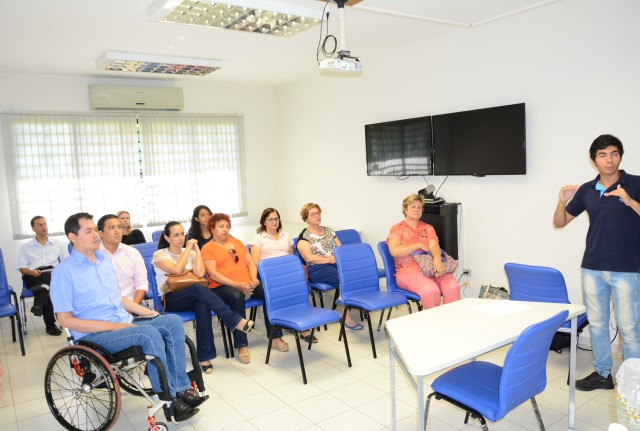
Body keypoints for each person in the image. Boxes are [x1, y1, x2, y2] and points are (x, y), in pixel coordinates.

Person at [50, 213, 207, 423]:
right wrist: (111, 326)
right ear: (73, 237)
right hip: (95, 335)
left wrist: (146, 311)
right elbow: (65, 321)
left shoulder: (104, 262)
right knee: (148, 334)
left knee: (172, 322)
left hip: (124, 322)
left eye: (95, 230)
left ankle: (180, 389)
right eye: (89, 231)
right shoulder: (63, 272)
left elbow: (119, 298)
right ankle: (169, 399)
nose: (96, 235)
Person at [553, 134, 640, 391]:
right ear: (594, 161)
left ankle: (634, 383)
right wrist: (561, 201)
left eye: (614, 153)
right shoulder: (587, 190)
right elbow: (560, 222)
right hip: (592, 267)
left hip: (627, 268)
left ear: (620, 156)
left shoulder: (635, 184)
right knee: (598, 324)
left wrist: (630, 201)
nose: (609, 160)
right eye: (602, 155)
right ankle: (603, 374)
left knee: (629, 328)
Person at [153, 221, 254, 373]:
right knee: (197, 289)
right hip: (171, 298)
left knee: (202, 304)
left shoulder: (191, 252)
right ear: (167, 238)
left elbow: (200, 274)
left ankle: (205, 357)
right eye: (176, 235)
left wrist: (196, 251)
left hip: (193, 295)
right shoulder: (160, 254)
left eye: (182, 234)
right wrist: (187, 249)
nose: (181, 238)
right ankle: (234, 320)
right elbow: (176, 270)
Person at [201, 213, 289, 365]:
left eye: (227, 226)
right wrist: (237, 285)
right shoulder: (208, 248)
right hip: (222, 287)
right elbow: (213, 274)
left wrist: (253, 278)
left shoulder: (237, 242)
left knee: (268, 292)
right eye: (221, 226)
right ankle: (242, 345)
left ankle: (275, 337)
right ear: (212, 229)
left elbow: (250, 263)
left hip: (247, 283)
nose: (225, 229)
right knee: (237, 296)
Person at [251, 208, 316, 343]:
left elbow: (292, 257)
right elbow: (256, 263)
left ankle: (304, 328)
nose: (274, 222)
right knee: (272, 294)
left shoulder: (286, 235)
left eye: (276, 218)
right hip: (268, 276)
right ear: (264, 222)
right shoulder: (258, 238)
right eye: (270, 219)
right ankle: (275, 337)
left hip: (287, 274)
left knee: (299, 290)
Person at [386, 194, 460, 309]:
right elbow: (395, 251)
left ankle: (451, 317)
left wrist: (437, 259)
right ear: (405, 209)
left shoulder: (428, 228)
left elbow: (434, 245)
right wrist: (418, 245)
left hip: (431, 267)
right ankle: (434, 319)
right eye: (413, 207)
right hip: (408, 272)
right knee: (431, 291)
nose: (417, 210)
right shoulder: (397, 228)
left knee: (453, 287)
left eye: (419, 207)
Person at [297, 203, 361, 330]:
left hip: (335, 263)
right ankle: (345, 312)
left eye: (318, 213)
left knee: (354, 274)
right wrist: (327, 259)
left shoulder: (329, 231)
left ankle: (346, 301)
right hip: (317, 268)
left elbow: (340, 249)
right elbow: (309, 258)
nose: (317, 216)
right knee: (342, 278)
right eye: (313, 214)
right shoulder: (304, 236)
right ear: (306, 218)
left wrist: (335, 257)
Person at [16, 215, 68, 336]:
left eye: (45, 224)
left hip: (52, 274)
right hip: (33, 275)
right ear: (33, 228)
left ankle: (42, 310)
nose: (44, 227)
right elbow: (22, 269)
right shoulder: (26, 247)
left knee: (45, 288)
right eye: (39, 225)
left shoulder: (57, 244)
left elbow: (66, 263)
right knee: (46, 285)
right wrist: (32, 272)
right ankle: (44, 310)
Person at [97, 214, 149, 304]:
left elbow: (142, 283)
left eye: (119, 227)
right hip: (104, 308)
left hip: (133, 303)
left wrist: (134, 307)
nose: (117, 232)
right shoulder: (91, 255)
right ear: (100, 233)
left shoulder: (133, 253)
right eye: (112, 228)